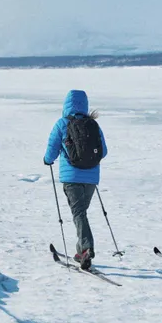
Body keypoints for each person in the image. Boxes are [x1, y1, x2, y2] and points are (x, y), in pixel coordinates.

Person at [44, 89, 108, 270]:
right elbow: (104, 151)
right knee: (81, 213)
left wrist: (47, 160)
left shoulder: (62, 124)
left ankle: (87, 248)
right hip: (91, 178)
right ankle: (81, 251)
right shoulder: (93, 125)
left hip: (71, 177)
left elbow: (52, 148)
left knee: (79, 213)